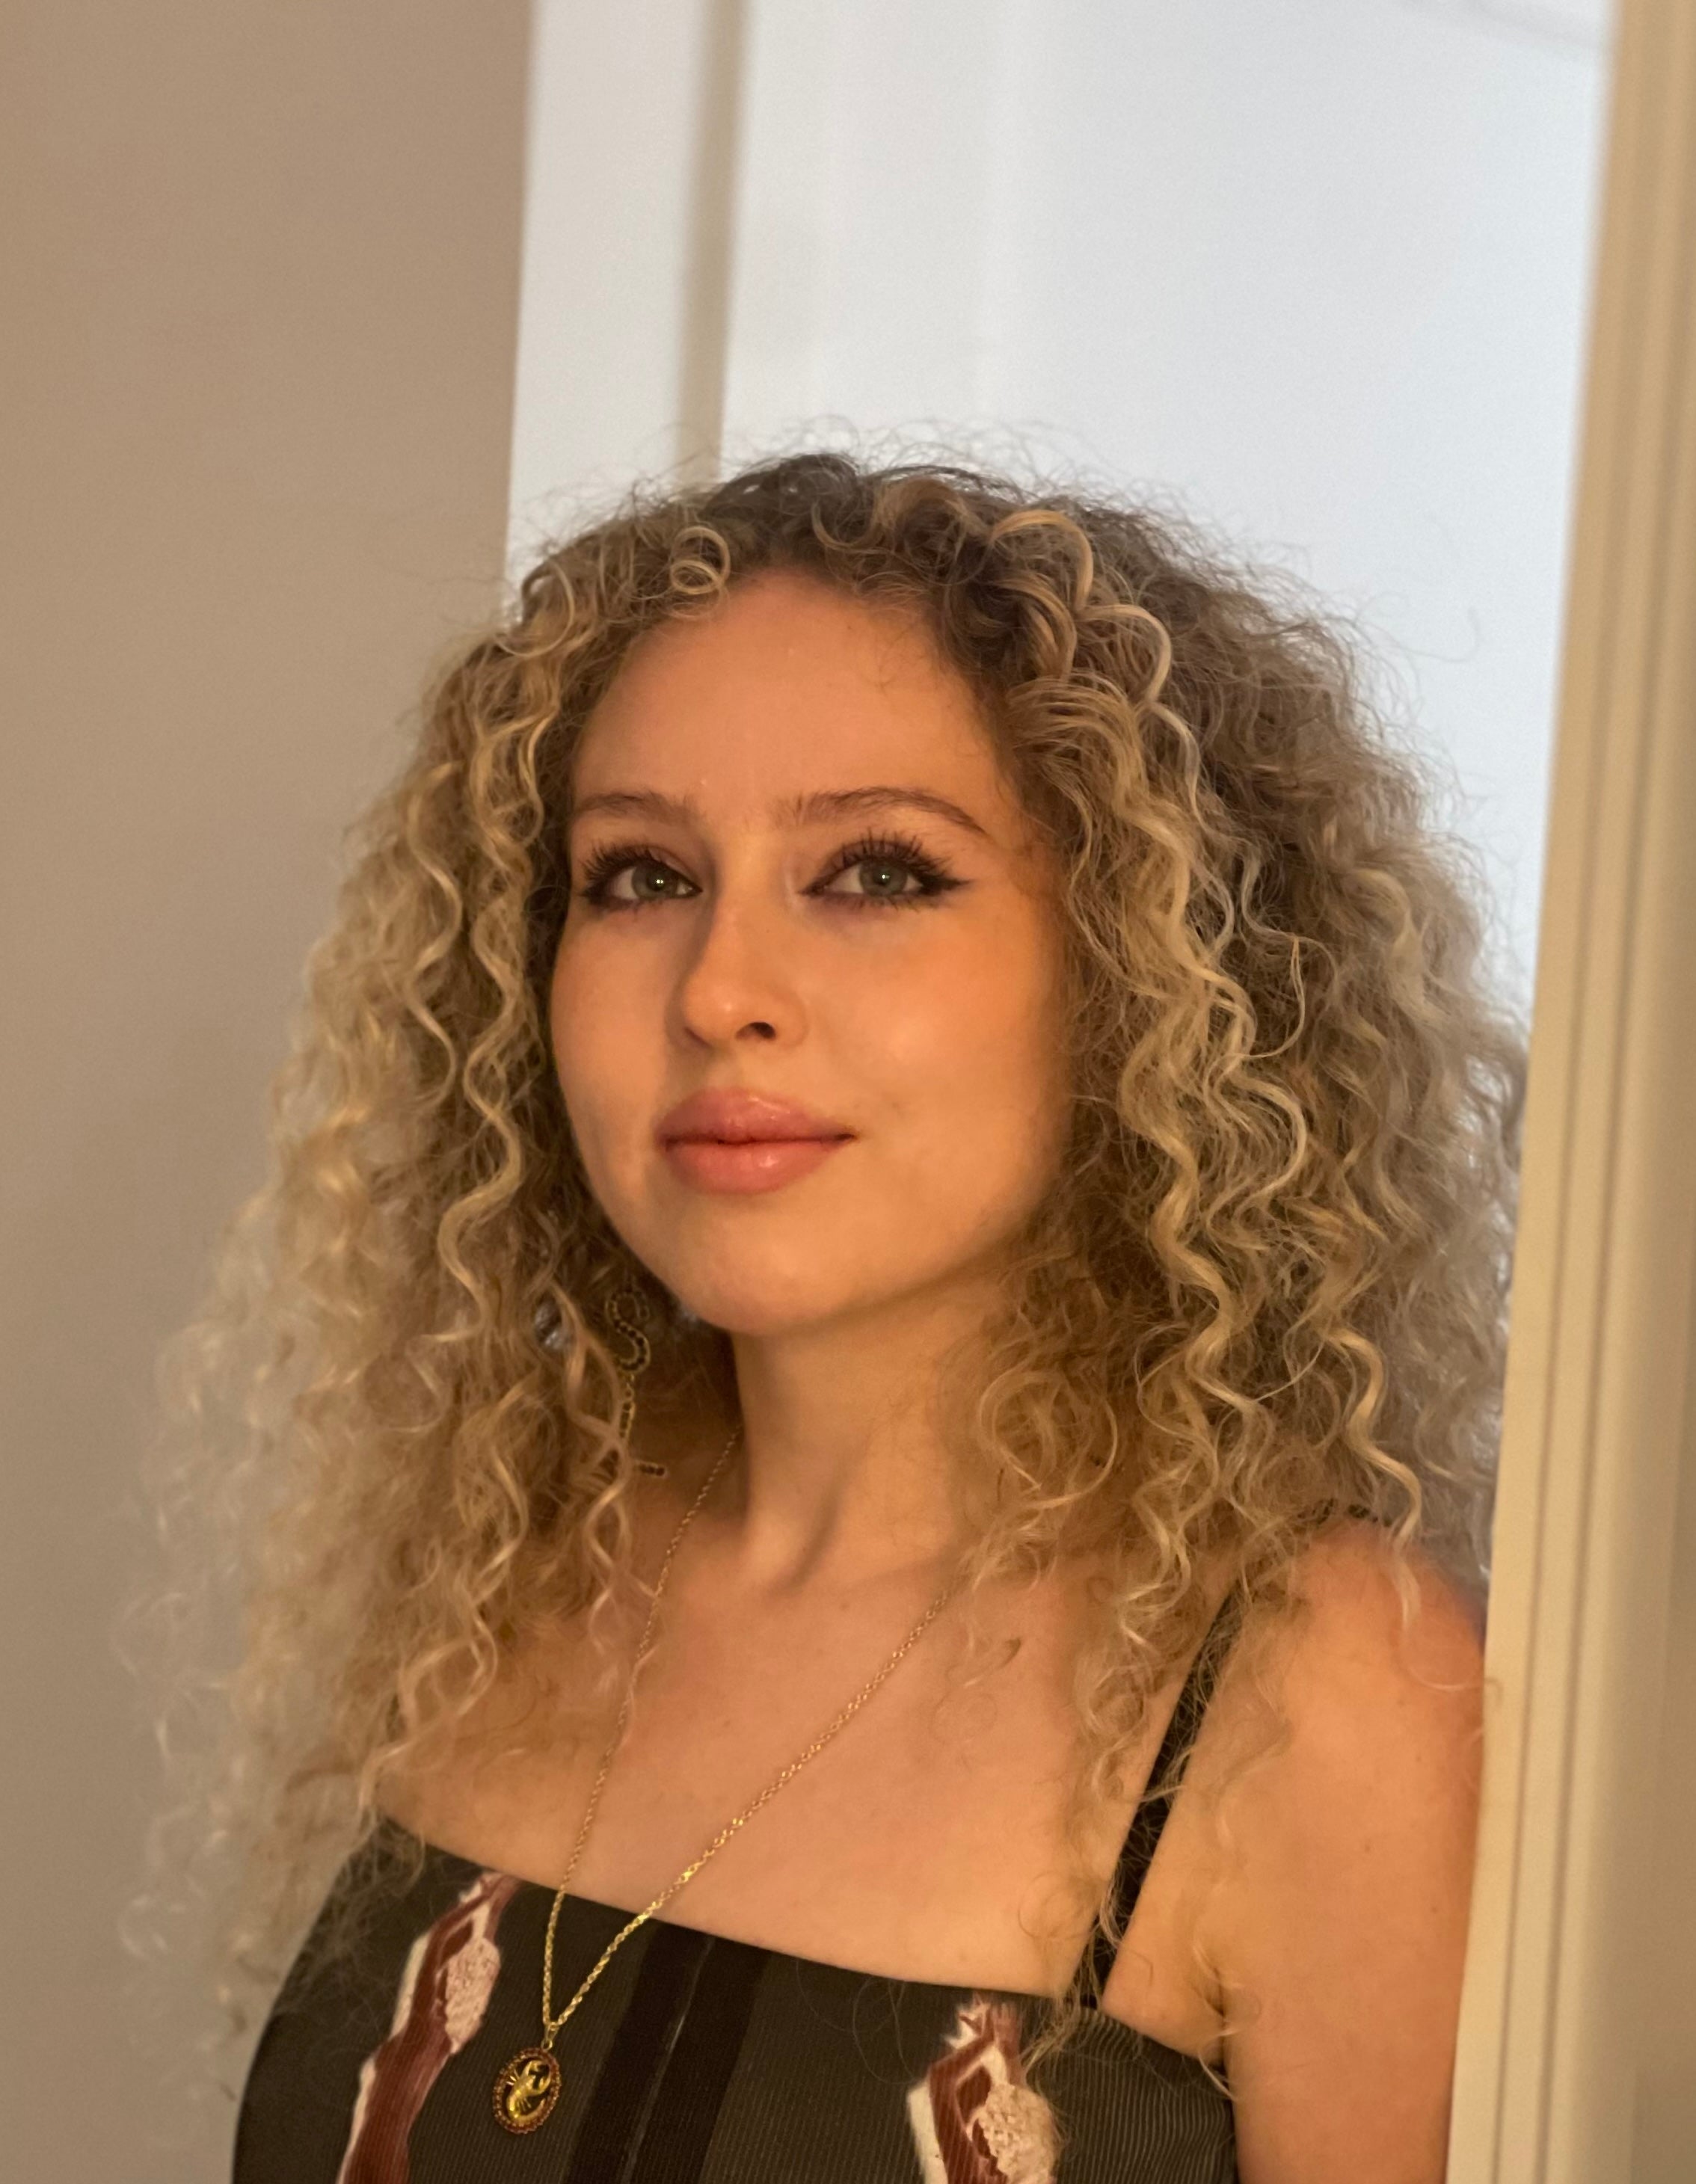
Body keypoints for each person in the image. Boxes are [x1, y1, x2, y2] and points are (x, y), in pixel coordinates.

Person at [166, 452, 1523, 2183]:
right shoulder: (517, 1537)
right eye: (639, 876)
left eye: (878, 873)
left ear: (1143, 967)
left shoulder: (1324, 1692)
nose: (721, 990)